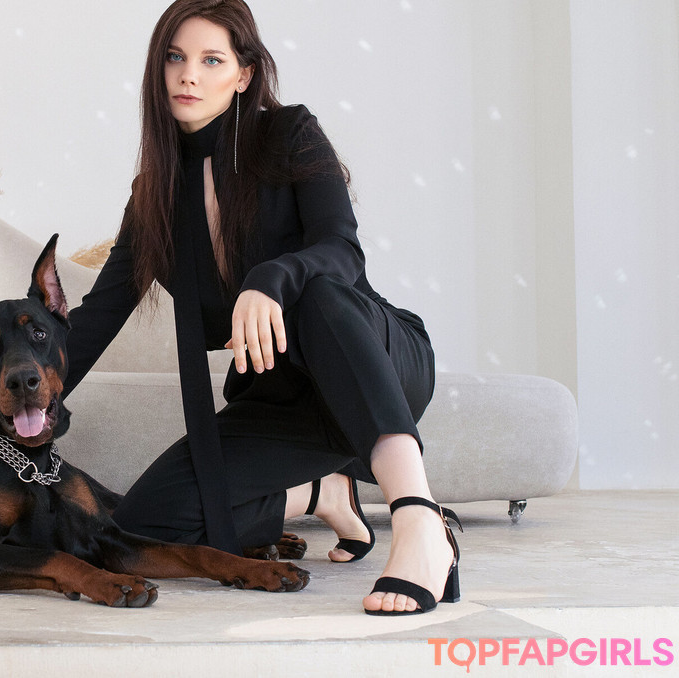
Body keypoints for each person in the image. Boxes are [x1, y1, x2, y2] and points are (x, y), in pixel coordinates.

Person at [62, 0, 459, 616]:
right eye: (175, 57)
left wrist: (270, 277)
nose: (188, 75)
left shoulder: (289, 134)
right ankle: (323, 493)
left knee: (319, 294)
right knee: (143, 526)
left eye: (211, 60)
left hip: (373, 361)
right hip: (284, 402)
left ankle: (419, 523)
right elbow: (93, 321)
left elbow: (341, 250)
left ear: (244, 74)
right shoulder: (154, 196)